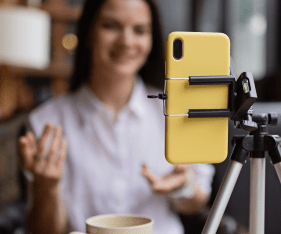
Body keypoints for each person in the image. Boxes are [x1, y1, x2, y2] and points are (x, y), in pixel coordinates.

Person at [18, 0, 215, 233]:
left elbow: (199, 200)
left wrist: (182, 187)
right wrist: (46, 187)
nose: (127, 42)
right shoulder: (47, 121)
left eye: (140, 30)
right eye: (111, 26)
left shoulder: (177, 111)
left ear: (152, 40)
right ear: (89, 32)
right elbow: (44, 230)